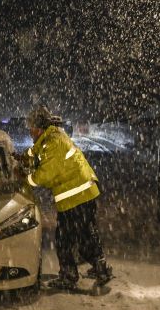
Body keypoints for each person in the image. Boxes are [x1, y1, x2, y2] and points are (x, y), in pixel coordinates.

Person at [25, 106, 113, 290]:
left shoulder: (53, 142)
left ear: (39, 127)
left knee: (66, 238)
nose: (29, 130)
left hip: (76, 196)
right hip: (83, 193)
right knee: (85, 234)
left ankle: (70, 275)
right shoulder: (50, 138)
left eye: (31, 126)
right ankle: (101, 267)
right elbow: (36, 152)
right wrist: (25, 157)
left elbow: (44, 175)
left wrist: (26, 178)